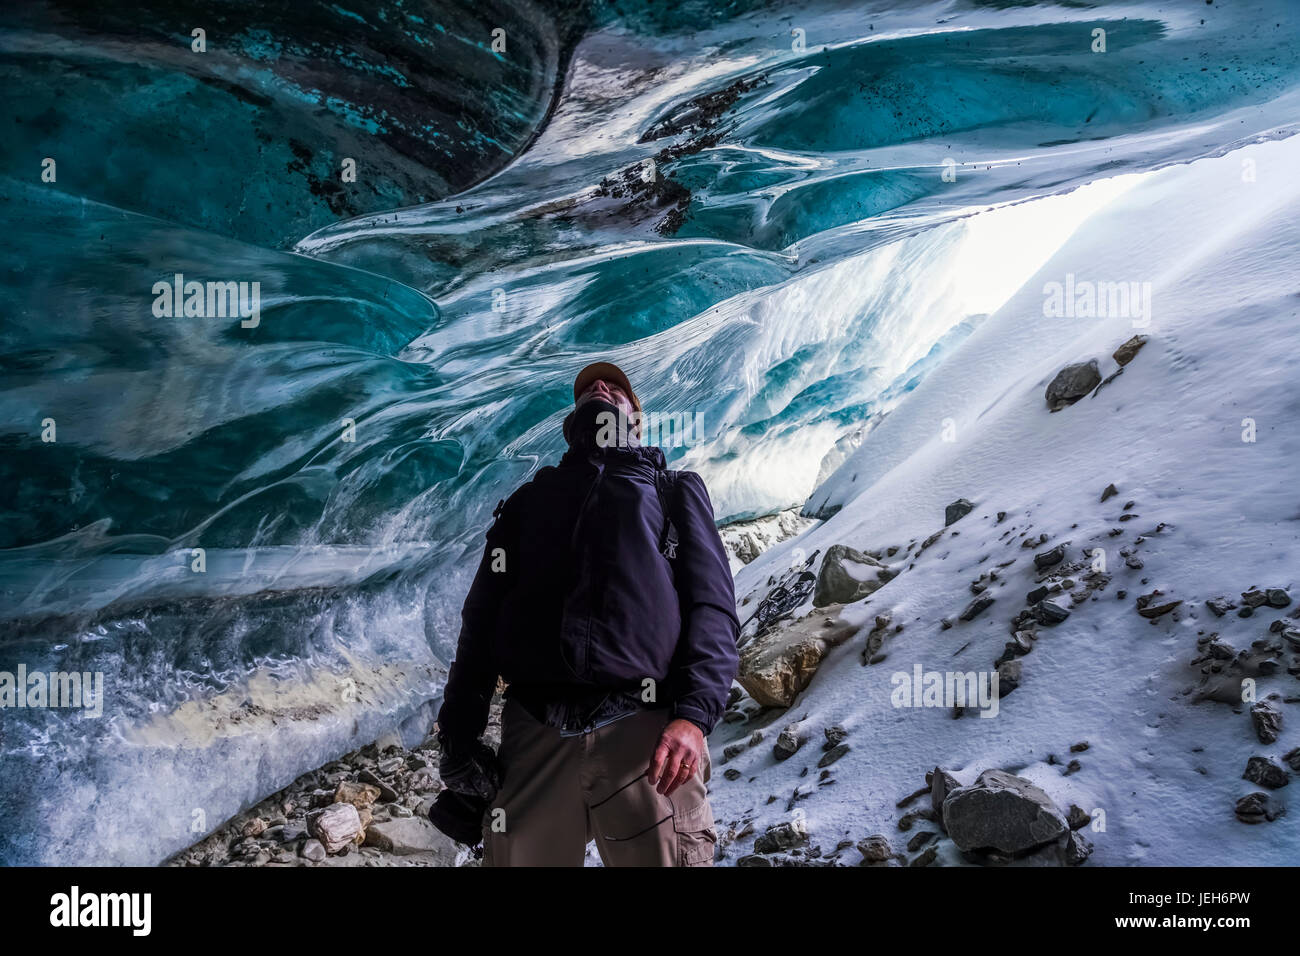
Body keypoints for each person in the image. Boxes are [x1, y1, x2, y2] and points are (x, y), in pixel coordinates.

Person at [432, 361, 739, 866]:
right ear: (572, 420)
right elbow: (481, 621)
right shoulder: (528, 503)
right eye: (589, 388)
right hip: (535, 731)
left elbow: (712, 606)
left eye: (615, 387)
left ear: (635, 418)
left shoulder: (673, 489)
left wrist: (693, 717)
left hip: (647, 731)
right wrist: (459, 735)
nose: (601, 386)